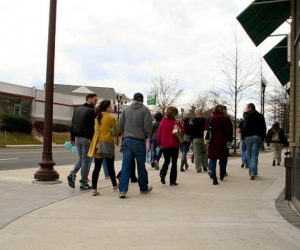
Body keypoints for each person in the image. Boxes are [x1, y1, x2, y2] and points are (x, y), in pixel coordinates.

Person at [118, 93, 153, 199]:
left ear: (133, 99)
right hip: (139, 140)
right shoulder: (145, 110)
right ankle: (143, 187)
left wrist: (125, 133)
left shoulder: (125, 110)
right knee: (141, 165)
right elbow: (148, 127)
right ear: (142, 100)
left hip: (127, 140)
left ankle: (123, 190)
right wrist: (145, 136)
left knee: (126, 165)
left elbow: (120, 126)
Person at [87, 100, 119, 196]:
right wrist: (112, 133)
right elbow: (116, 132)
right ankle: (114, 185)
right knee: (110, 166)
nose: (112, 107)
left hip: (97, 144)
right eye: (110, 106)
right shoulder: (111, 119)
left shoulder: (97, 118)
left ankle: (94, 188)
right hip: (107, 144)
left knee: (97, 167)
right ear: (107, 107)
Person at [67, 93, 97, 190]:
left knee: (81, 159)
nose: (96, 102)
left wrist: (72, 138)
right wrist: (94, 140)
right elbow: (92, 127)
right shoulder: (91, 111)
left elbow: (72, 124)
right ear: (89, 99)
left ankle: (72, 174)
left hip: (77, 138)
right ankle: (83, 182)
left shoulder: (77, 110)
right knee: (86, 160)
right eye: (95, 100)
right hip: (86, 139)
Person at [205, 105, 232, 185]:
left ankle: (214, 178)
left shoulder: (210, 118)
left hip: (213, 141)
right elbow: (229, 131)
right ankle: (221, 174)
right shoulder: (225, 118)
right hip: (223, 141)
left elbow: (206, 129)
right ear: (222, 110)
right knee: (223, 158)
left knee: (213, 159)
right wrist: (229, 140)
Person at [156, 106, 183, 186]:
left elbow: (159, 134)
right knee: (174, 163)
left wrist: (158, 143)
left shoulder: (163, 122)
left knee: (167, 161)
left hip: (165, 146)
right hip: (175, 145)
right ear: (174, 114)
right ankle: (172, 181)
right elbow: (182, 131)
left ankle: (162, 174)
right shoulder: (176, 122)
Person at [243, 103, 266, 180]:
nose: (246, 109)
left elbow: (245, 126)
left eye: (247, 107)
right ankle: (253, 172)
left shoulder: (247, 115)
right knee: (255, 155)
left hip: (248, 137)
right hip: (257, 137)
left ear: (249, 108)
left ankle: (252, 172)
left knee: (249, 155)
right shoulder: (260, 116)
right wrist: (263, 138)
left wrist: (244, 135)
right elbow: (264, 128)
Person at [190, 108, 208, 172]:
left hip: (195, 138)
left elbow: (191, 130)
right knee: (204, 153)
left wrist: (191, 139)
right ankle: (205, 167)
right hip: (203, 138)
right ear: (201, 112)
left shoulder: (193, 120)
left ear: (196, 113)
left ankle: (198, 168)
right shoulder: (205, 120)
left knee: (197, 154)